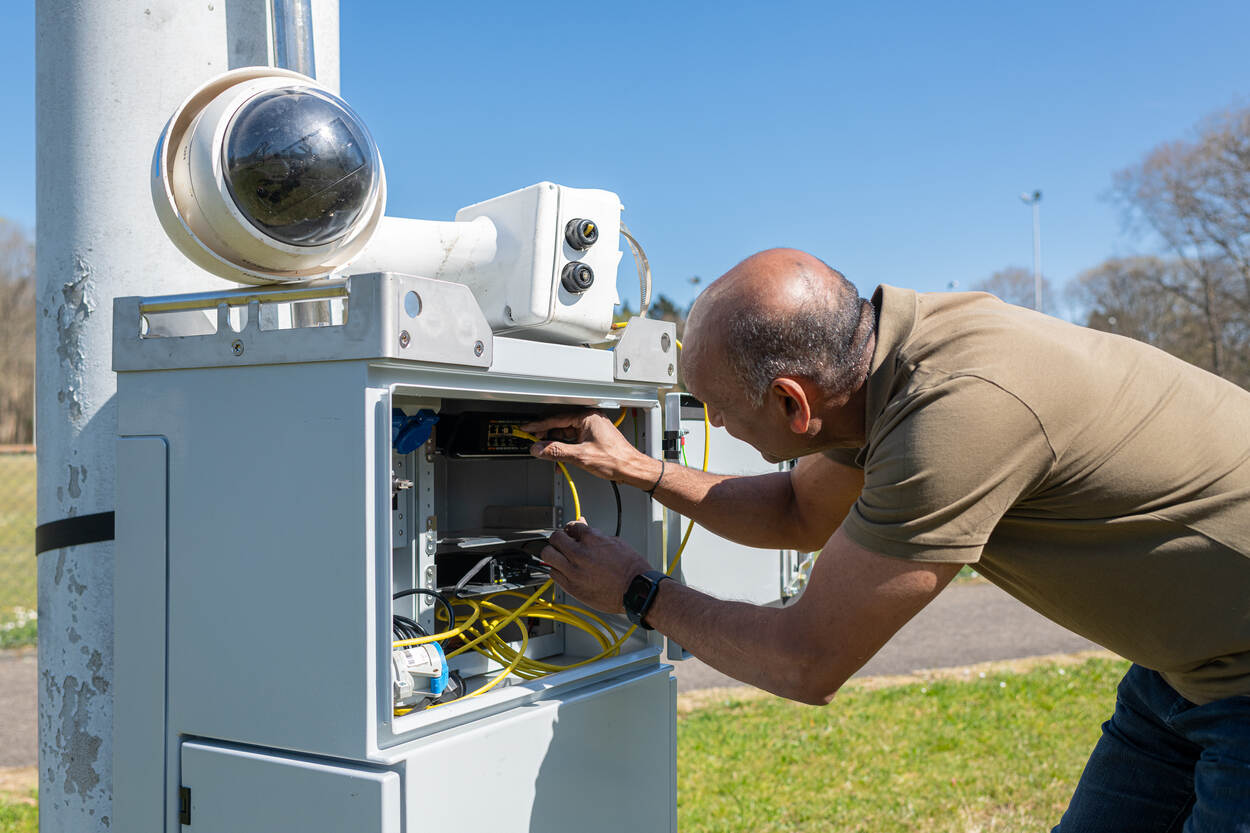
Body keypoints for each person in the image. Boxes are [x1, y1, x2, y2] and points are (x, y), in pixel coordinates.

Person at [525, 248, 1250, 832]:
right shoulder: (887, 363)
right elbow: (795, 510)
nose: (715, 424)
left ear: (791, 402)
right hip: (1184, 668)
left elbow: (808, 662)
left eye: (719, 409)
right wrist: (643, 470)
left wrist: (638, 592)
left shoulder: (954, 413)